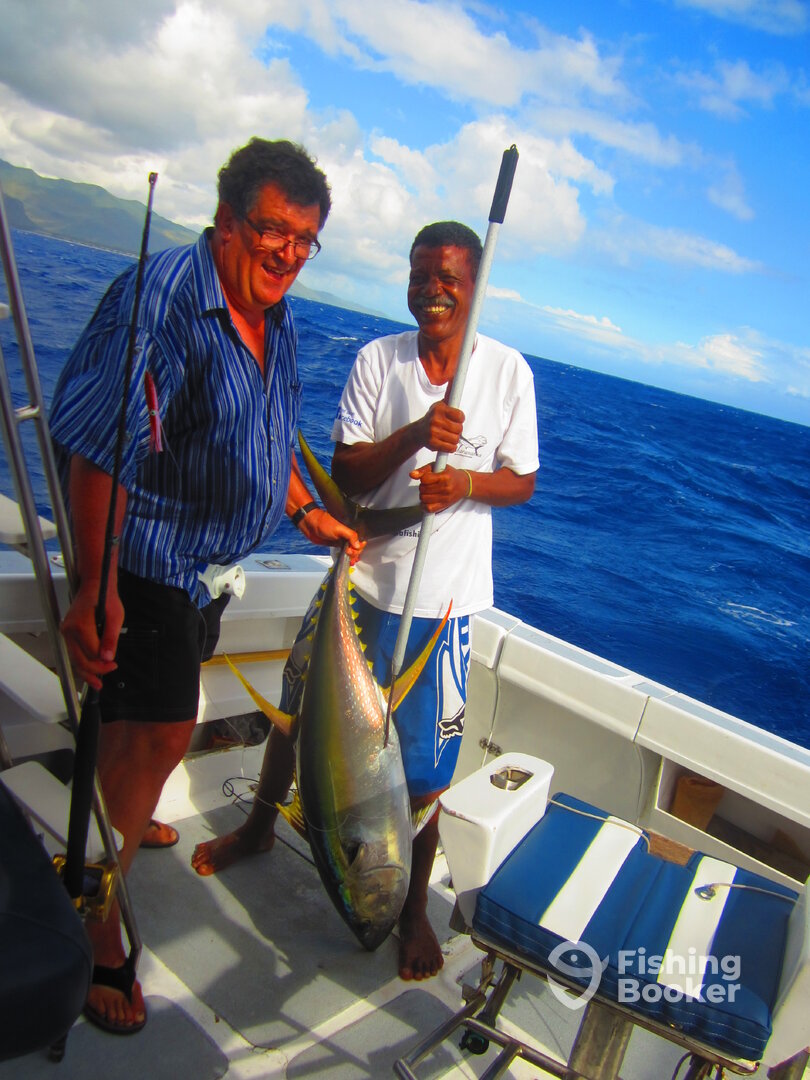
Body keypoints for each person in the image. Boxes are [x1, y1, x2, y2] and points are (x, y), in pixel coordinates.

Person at [49, 137, 363, 1034]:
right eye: (272, 231)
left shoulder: (276, 314)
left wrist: (305, 511)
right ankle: (94, 927)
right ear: (227, 220)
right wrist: (94, 585)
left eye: (305, 240)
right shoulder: (163, 304)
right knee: (162, 729)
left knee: (144, 732)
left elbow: (271, 430)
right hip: (143, 556)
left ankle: (124, 809)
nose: (288, 254)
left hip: (206, 570)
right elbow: (95, 451)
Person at [191, 220, 539, 981]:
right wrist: (419, 432)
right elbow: (347, 474)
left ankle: (411, 911)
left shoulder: (507, 371)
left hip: (442, 604)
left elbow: (522, 480)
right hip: (361, 581)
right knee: (298, 719)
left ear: (476, 285)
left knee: (425, 768)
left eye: (448, 277)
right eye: (419, 275)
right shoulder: (379, 359)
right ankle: (259, 827)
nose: (431, 289)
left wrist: (466, 482)